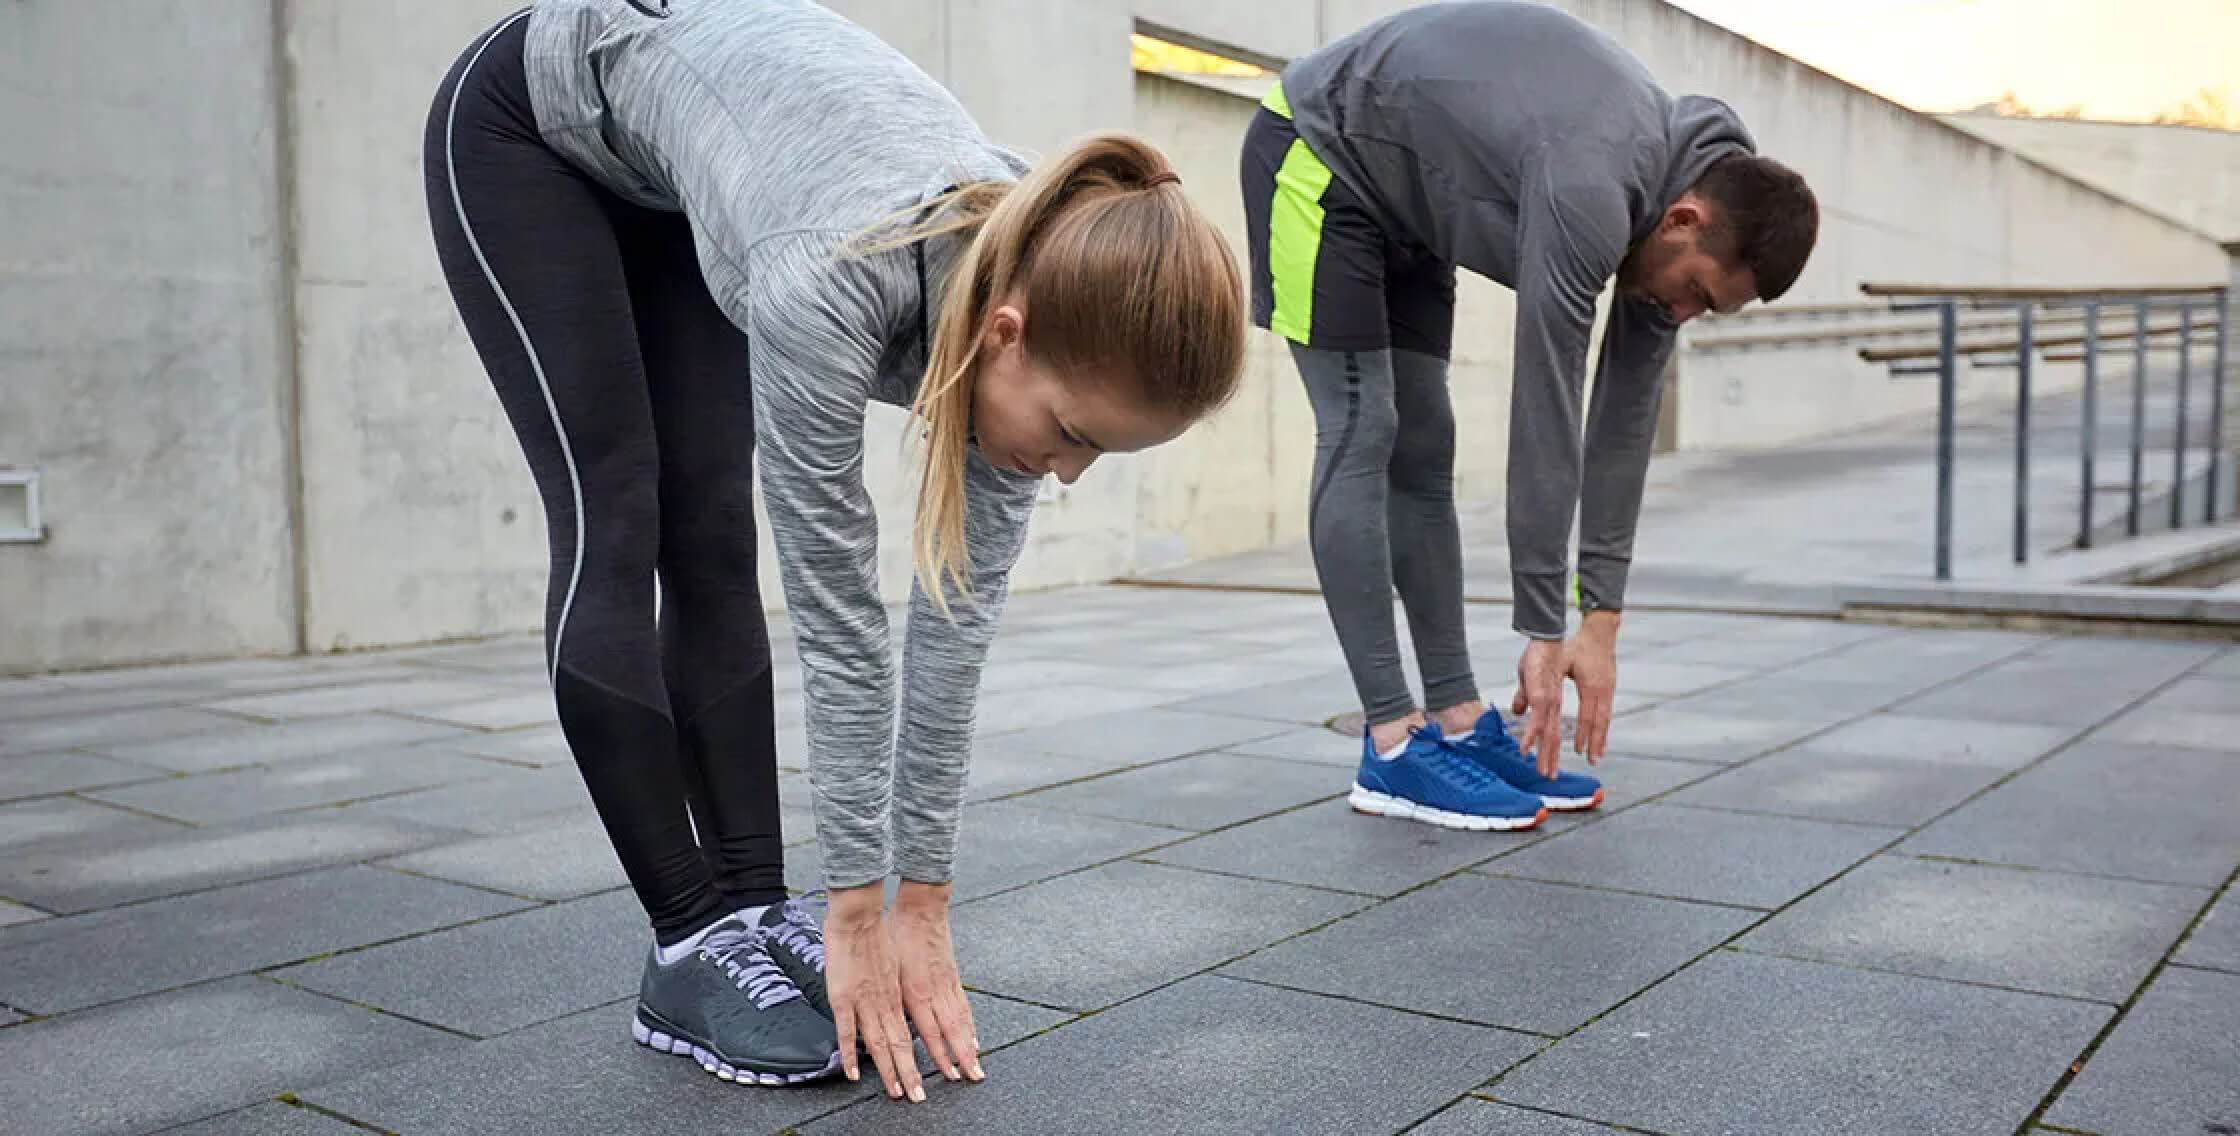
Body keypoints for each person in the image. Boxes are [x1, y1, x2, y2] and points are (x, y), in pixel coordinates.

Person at [423, 0, 1244, 1101]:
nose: (1067, 473)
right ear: (1003, 332)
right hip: (528, 125)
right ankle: (685, 942)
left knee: (713, 528)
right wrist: (859, 898)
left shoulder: (1043, 277)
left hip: (695, 160)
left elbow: (952, 630)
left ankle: (758, 905)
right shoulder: (833, 274)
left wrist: (922, 902)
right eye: (1072, 434)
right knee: (622, 508)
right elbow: (843, 621)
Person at [1239, 0, 1818, 830]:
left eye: (1709, 309)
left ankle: (1456, 719)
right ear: (1684, 220)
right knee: (1364, 425)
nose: (1684, 312)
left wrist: (1602, 619)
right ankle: (1393, 745)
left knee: (1427, 443)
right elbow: (1547, 406)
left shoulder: (1687, 206)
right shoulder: (1594, 186)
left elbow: (1621, 425)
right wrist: (1544, 625)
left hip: (1405, 198)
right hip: (1316, 148)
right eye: (1694, 292)